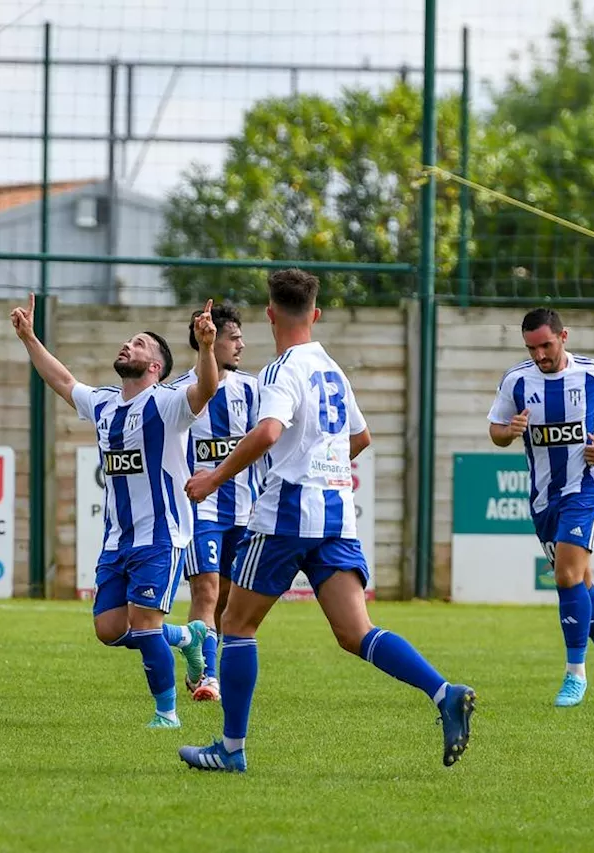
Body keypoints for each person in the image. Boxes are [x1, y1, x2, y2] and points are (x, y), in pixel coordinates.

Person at [177, 269, 476, 773]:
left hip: (289, 510)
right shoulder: (332, 369)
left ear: (270, 314)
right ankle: (443, 692)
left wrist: (214, 478)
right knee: (356, 631)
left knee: (236, 624)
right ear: (314, 314)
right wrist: (323, 463)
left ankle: (230, 749)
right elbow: (360, 438)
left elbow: (269, 432)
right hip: (337, 513)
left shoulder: (281, 370)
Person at [10, 293, 216, 729]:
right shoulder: (104, 403)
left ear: (156, 366)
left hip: (161, 536)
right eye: (128, 341)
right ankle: (186, 635)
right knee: (110, 629)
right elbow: (63, 381)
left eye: (140, 343)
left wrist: (207, 348)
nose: (129, 345)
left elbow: (207, 388)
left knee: (142, 625)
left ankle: (167, 715)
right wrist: (29, 338)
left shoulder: (168, 404)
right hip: (116, 540)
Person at [487, 307, 594, 707]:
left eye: (546, 345)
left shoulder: (592, 374)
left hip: (587, 487)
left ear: (563, 336)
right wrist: (508, 432)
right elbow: (496, 430)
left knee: (566, 576)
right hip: (543, 497)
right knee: (581, 579)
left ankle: (574, 674)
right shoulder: (516, 381)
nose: (539, 355)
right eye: (531, 348)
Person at [170, 303, 261, 702]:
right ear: (208, 339)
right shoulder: (178, 392)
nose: (241, 344)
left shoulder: (252, 388)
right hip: (200, 508)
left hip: (246, 509)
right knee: (205, 592)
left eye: (241, 336)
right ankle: (207, 676)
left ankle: (203, 664)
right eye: (233, 337)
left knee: (227, 599)